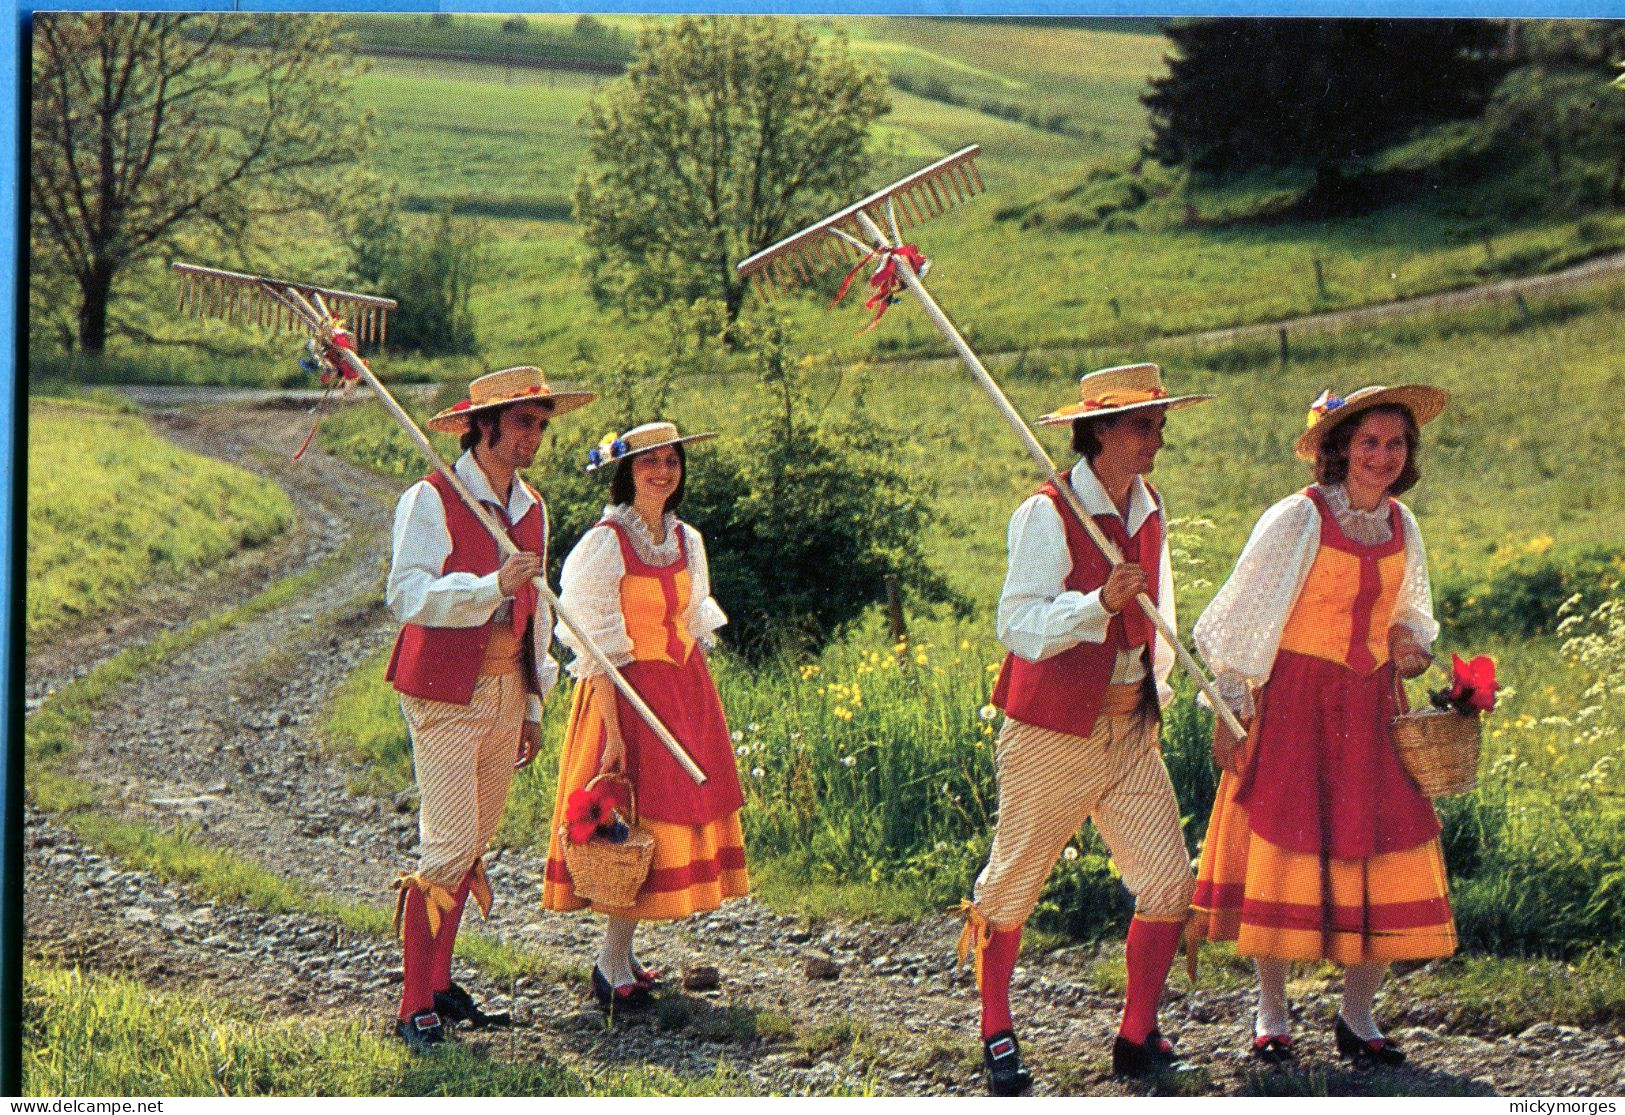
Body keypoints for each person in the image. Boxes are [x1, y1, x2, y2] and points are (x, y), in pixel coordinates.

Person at [961, 363, 1214, 1094]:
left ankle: (1136, 1036)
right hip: (1049, 729)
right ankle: (996, 1030)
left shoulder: (1149, 505)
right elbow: (1017, 626)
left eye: (1160, 425)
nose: (1156, 440)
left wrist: (1155, 696)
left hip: (1129, 726)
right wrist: (1095, 604)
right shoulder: (1046, 512)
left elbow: (1159, 613)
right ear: (1100, 430)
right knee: (1011, 886)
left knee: (1169, 881)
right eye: (1143, 425)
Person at [1189, 385, 1457, 1067]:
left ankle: (1357, 1014)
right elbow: (1239, 615)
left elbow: (1406, 612)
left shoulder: (1403, 524)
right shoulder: (1297, 519)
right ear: (1338, 448)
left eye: (1394, 443)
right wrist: (1231, 701)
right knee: (1284, 846)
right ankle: (1270, 1011)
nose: (1381, 456)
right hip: (1296, 705)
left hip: (1374, 709)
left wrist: (1407, 644)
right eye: (1367, 442)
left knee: (1386, 844)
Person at [384, 365, 595, 1052]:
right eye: (523, 421)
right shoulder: (431, 499)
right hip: (444, 689)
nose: (535, 434)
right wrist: (486, 585)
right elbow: (407, 595)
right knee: (446, 847)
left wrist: (535, 700)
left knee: (474, 843)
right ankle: (412, 1004)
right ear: (484, 426)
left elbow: (533, 614)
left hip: (507, 687)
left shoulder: (531, 508)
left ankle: (441, 984)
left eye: (540, 422)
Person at [542, 421, 748, 1011]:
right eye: (648, 462)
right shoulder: (604, 545)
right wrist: (611, 732)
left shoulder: (688, 539)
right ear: (625, 473)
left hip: (681, 691)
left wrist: (697, 700)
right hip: (626, 697)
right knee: (635, 824)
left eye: (671, 461)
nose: (662, 471)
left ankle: (623, 956)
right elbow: (595, 648)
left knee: (662, 826)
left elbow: (690, 623)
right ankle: (609, 964)